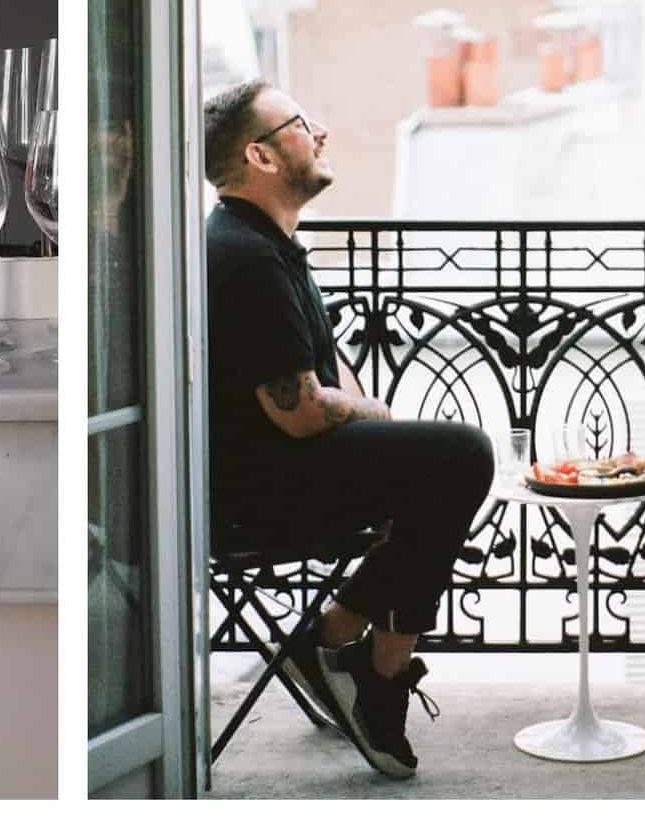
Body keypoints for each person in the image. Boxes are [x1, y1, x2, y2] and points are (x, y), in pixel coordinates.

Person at [202, 79, 495, 779]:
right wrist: (386, 423)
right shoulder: (246, 257)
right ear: (261, 155)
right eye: (301, 122)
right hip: (256, 493)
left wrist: (385, 438)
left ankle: (337, 640)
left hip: (279, 470)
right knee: (463, 455)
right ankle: (373, 666)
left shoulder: (265, 244)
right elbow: (300, 409)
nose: (321, 130)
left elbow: (327, 382)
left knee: (438, 467)